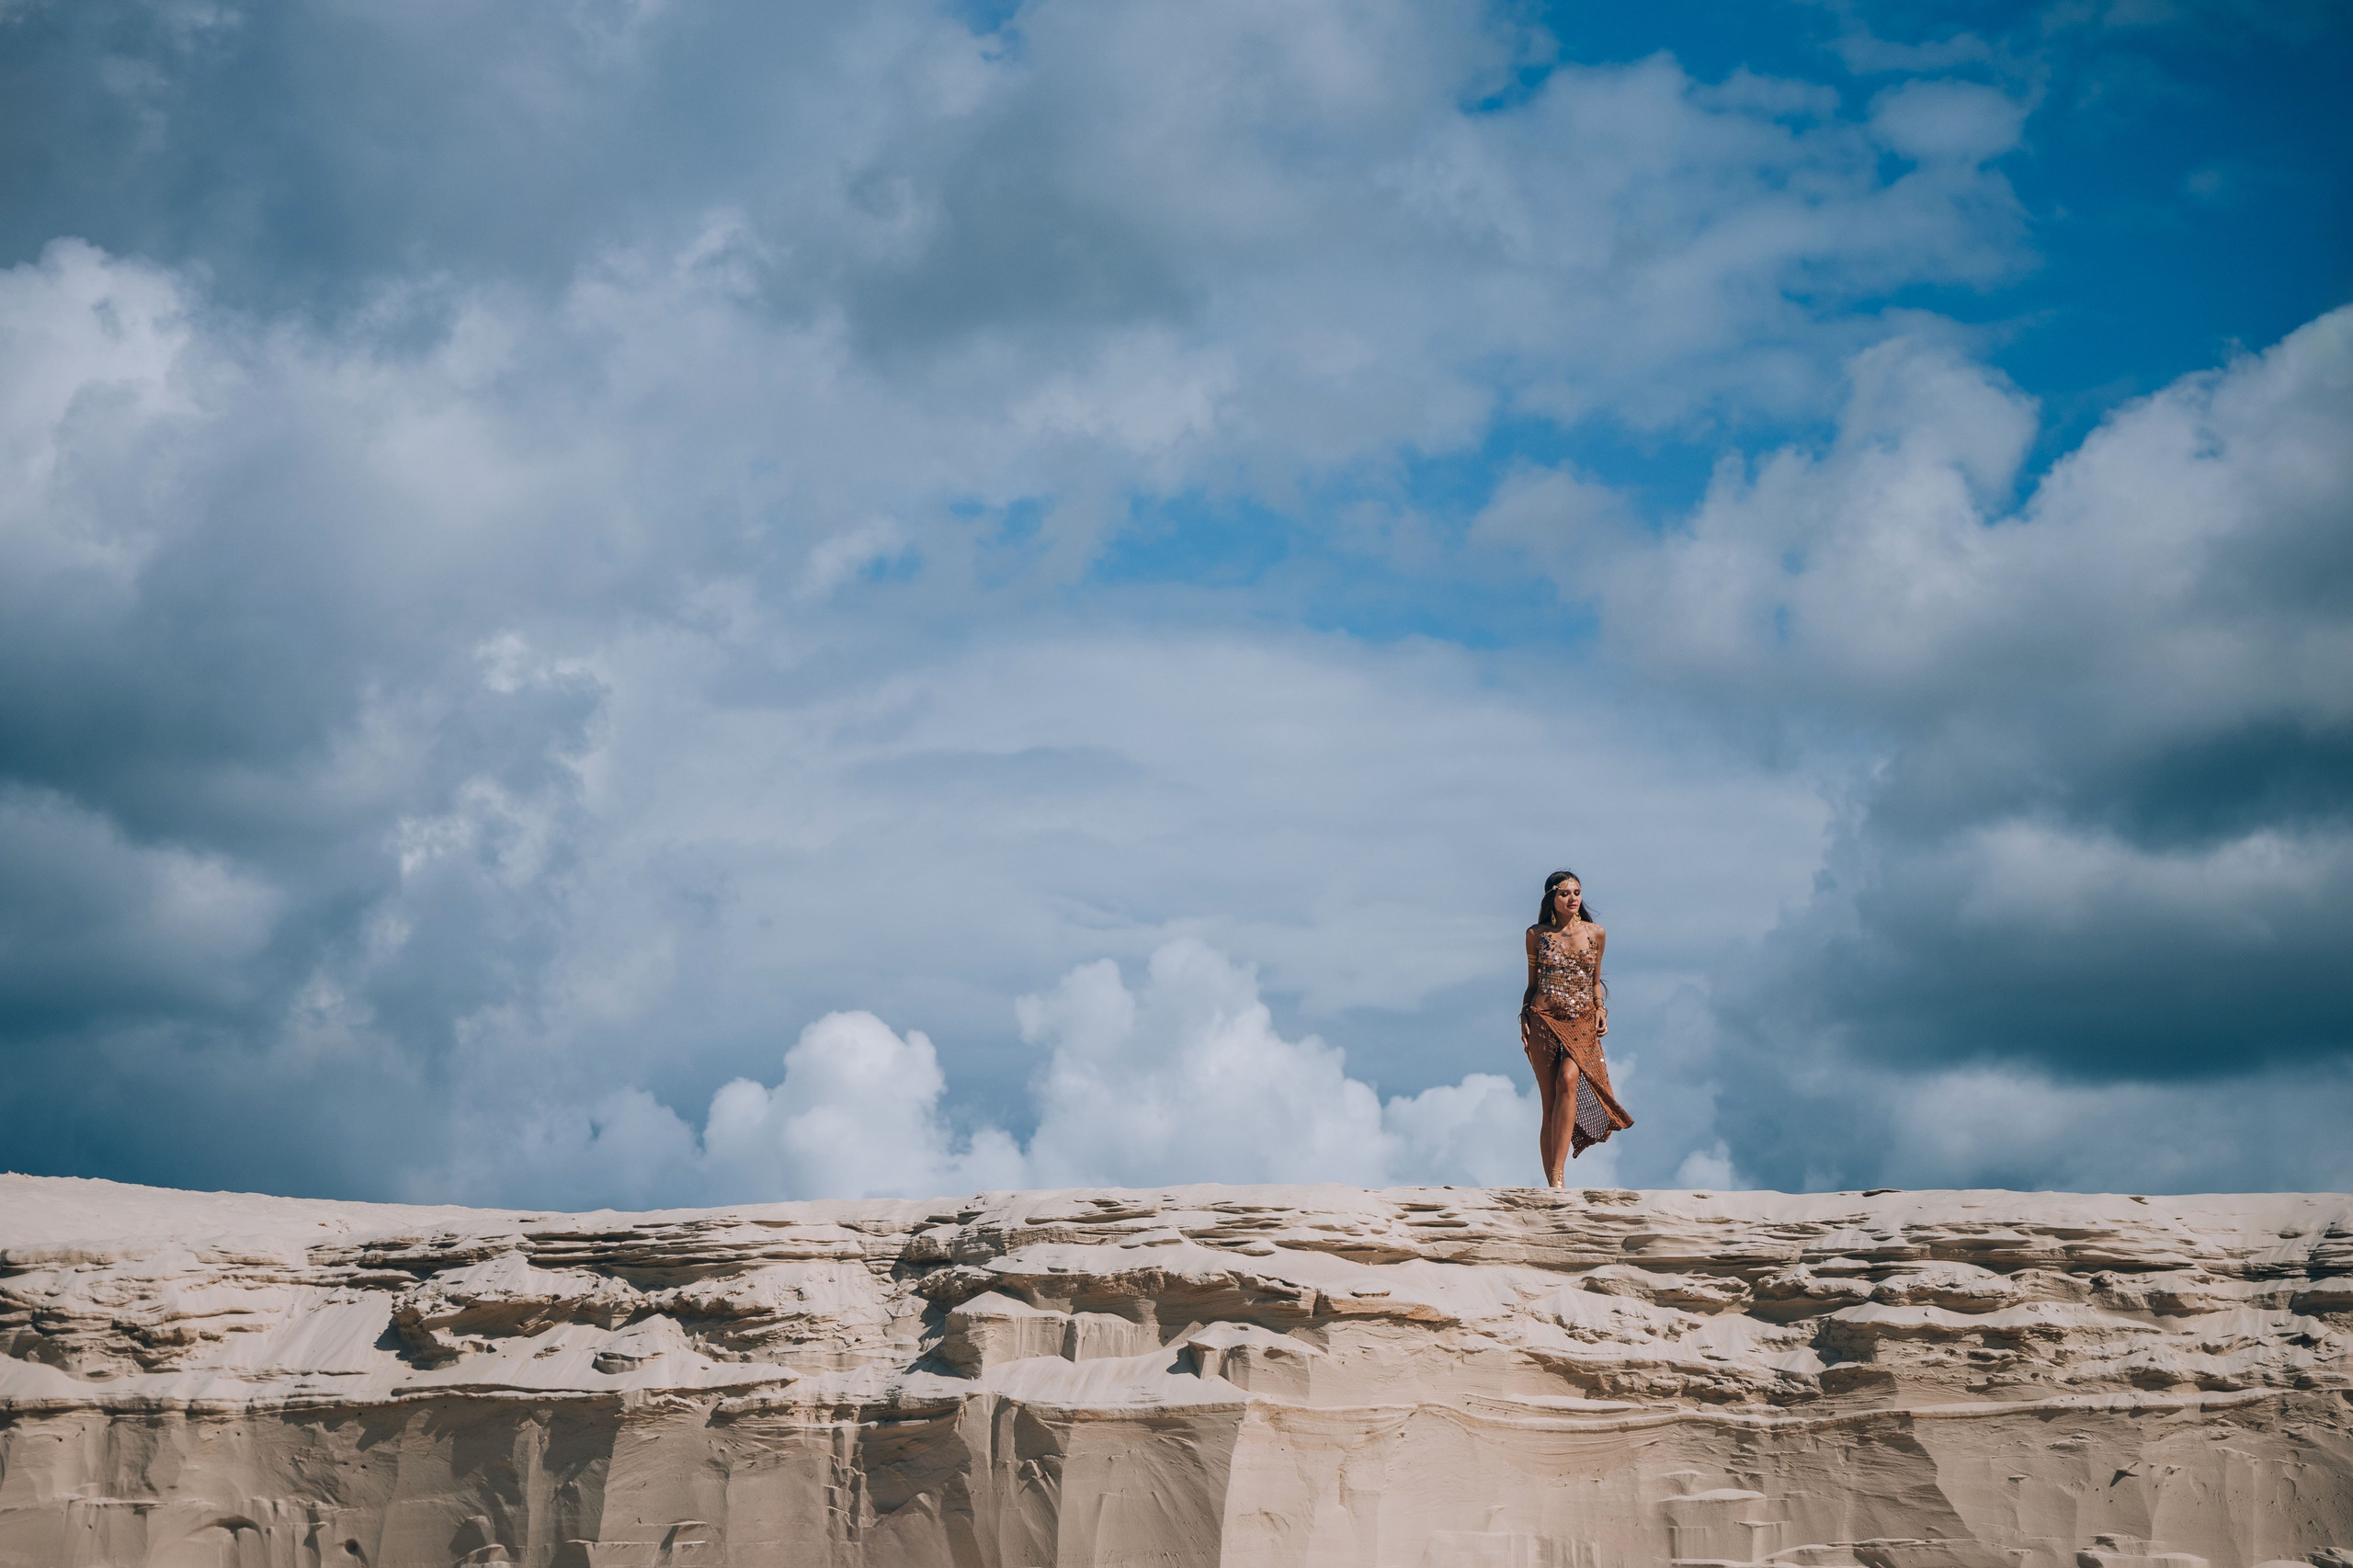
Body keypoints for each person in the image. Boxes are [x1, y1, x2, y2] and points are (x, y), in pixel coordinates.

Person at [1521, 869, 1633, 1187]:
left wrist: (1600, 1009)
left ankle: (1559, 1172)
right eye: (1564, 893)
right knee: (1549, 1104)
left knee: (1568, 1079)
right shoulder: (1536, 935)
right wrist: (1524, 1017)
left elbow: (1595, 981)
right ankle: (1555, 1182)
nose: (1572, 898)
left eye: (1576, 892)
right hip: (1543, 1020)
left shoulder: (1596, 933)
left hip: (1582, 1021)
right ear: (1551, 899)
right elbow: (1532, 985)